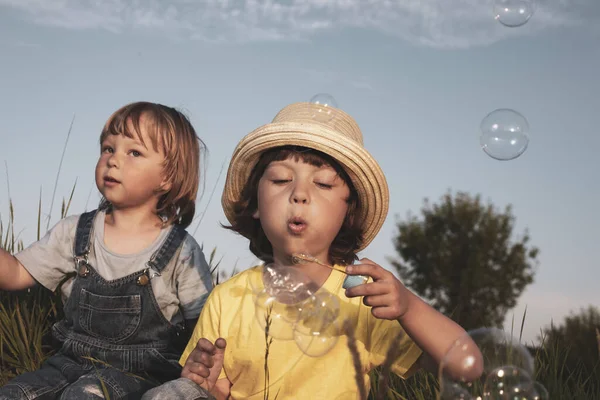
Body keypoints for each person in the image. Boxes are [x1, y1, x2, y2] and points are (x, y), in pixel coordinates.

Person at [143, 102, 483, 400]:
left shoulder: (362, 299)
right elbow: (211, 386)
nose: (299, 194)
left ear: (348, 211)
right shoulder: (228, 299)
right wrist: (206, 385)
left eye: (322, 184)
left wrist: (407, 307)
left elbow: (467, 365)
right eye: (280, 180)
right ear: (256, 206)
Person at [0, 101, 214, 399]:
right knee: (15, 392)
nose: (113, 160)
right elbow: (16, 274)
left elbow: (206, 322)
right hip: (66, 365)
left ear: (167, 177)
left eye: (134, 152)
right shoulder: (75, 233)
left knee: (85, 395)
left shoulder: (180, 251)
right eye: (108, 148)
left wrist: (201, 366)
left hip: (140, 377)